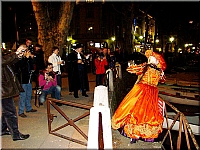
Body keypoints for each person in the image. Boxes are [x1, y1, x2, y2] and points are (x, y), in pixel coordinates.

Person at [111, 49, 167, 143]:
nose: (149, 59)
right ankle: (144, 133)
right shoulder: (159, 72)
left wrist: (130, 66)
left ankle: (134, 132)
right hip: (152, 92)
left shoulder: (146, 67)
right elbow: (162, 80)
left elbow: (132, 70)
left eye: (150, 58)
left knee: (133, 109)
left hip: (141, 90)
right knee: (148, 113)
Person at [1, 45, 30, 140]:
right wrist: (16, 53)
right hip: (3, 89)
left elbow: (8, 62)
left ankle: (2, 129)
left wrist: (18, 56)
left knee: (6, 111)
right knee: (10, 111)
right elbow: (3, 61)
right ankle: (16, 134)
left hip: (5, 88)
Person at [15, 44, 37, 118]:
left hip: (29, 79)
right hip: (22, 80)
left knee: (29, 94)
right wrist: (26, 58)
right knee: (23, 96)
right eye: (25, 50)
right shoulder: (19, 58)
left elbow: (32, 65)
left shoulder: (28, 58)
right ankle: (21, 111)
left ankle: (28, 108)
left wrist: (31, 58)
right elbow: (20, 67)